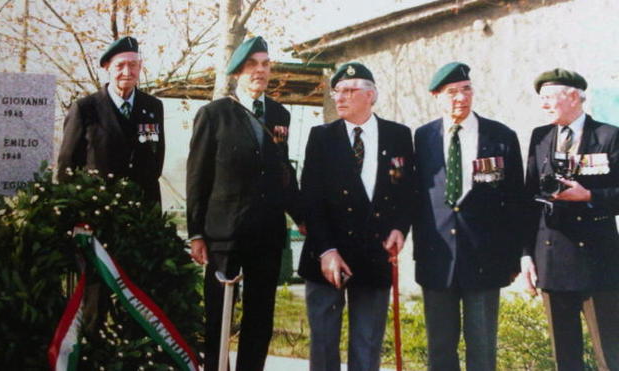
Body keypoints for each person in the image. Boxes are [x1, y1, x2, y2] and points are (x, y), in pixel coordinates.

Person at [186, 36, 303, 371]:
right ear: (238, 71)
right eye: (253, 65)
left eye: (266, 65)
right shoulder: (214, 115)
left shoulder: (280, 114)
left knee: (260, 320)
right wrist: (196, 233)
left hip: (266, 235)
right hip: (225, 236)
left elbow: (284, 174)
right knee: (218, 320)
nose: (261, 71)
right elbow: (198, 177)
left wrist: (302, 215)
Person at [298, 62, 415, 371]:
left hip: (374, 254)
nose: (340, 98)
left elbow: (407, 192)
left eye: (350, 91)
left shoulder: (399, 136)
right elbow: (311, 198)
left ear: (371, 95)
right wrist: (327, 251)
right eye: (337, 91)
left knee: (366, 346)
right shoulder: (321, 137)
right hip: (327, 256)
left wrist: (400, 228)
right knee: (323, 347)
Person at [412, 62, 524, 371]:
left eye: (466, 89)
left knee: (482, 347)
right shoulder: (422, 138)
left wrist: (515, 257)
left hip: (485, 259)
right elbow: (414, 196)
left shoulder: (500, 136)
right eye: (451, 92)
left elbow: (515, 201)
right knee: (440, 349)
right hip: (436, 258)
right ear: (436, 96)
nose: (460, 98)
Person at [521, 68, 619, 370]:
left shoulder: (608, 136)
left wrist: (589, 196)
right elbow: (528, 201)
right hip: (552, 258)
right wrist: (526, 255)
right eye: (541, 99)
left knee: (610, 353)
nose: (544, 105)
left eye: (550, 97)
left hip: (598, 260)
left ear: (574, 96)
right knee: (565, 356)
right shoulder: (540, 137)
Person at [58, 36, 164, 206]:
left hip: (142, 211)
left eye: (133, 65)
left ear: (140, 67)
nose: (127, 72)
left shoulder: (153, 107)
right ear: (107, 67)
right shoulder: (85, 108)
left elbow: (156, 158)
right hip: (98, 209)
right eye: (120, 65)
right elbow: (67, 167)